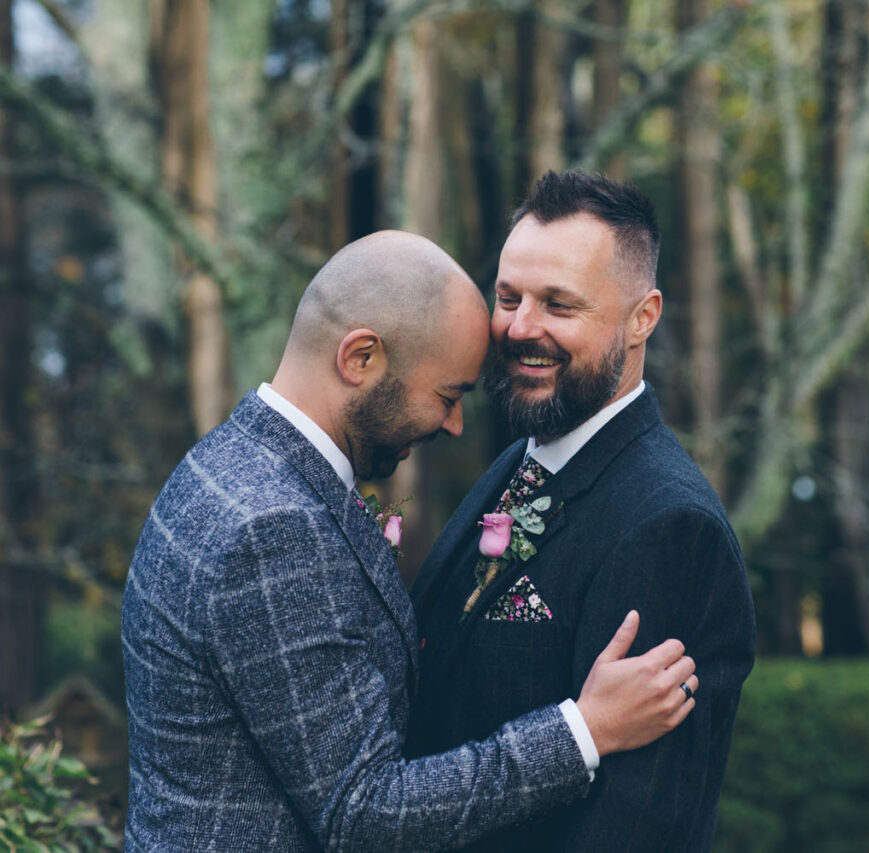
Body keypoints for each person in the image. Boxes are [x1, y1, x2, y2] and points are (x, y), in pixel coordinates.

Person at [122, 230, 699, 852]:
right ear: (361, 358)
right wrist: (584, 731)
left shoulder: (229, 464)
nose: (452, 426)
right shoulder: (274, 528)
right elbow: (362, 811)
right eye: (446, 396)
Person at [407, 172, 756, 851]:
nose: (519, 327)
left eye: (559, 305)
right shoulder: (519, 463)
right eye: (508, 297)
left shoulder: (669, 527)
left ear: (642, 316)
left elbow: (641, 825)